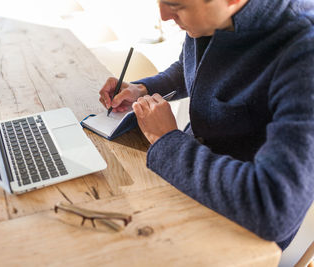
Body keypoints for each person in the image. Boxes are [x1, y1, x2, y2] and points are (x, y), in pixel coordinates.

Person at [99, 0, 314, 250]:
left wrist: (166, 140)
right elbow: (192, 67)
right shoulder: (210, 18)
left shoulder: (304, 55)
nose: (163, 16)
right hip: (189, 175)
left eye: (176, 5)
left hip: (241, 229)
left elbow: (274, 208)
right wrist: (144, 89)